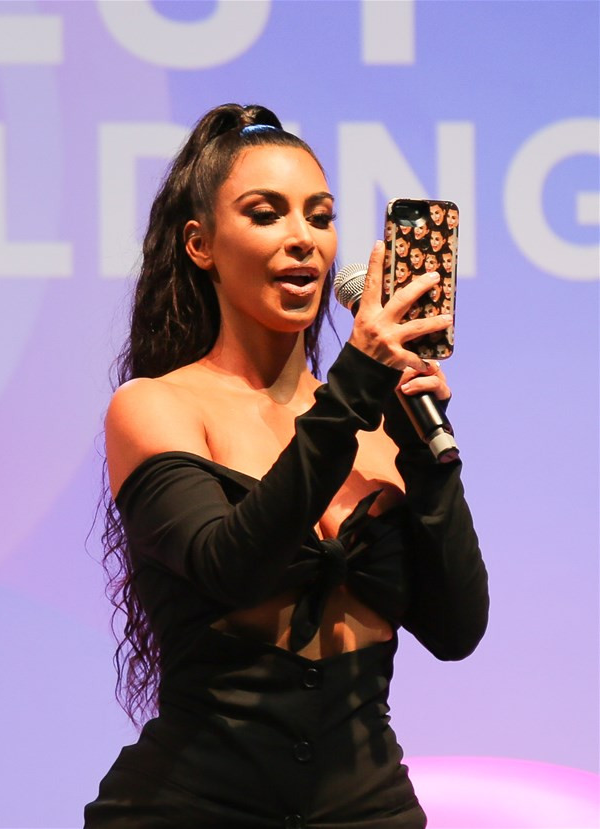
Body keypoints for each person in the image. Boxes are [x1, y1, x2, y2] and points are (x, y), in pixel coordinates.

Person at [84, 103, 489, 828]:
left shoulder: (377, 424)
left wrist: (427, 457)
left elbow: (456, 628)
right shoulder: (154, 407)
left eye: (320, 216)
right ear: (201, 245)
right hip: (192, 808)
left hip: (368, 809)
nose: (303, 237)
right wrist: (356, 385)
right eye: (266, 214)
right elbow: (232, 569)